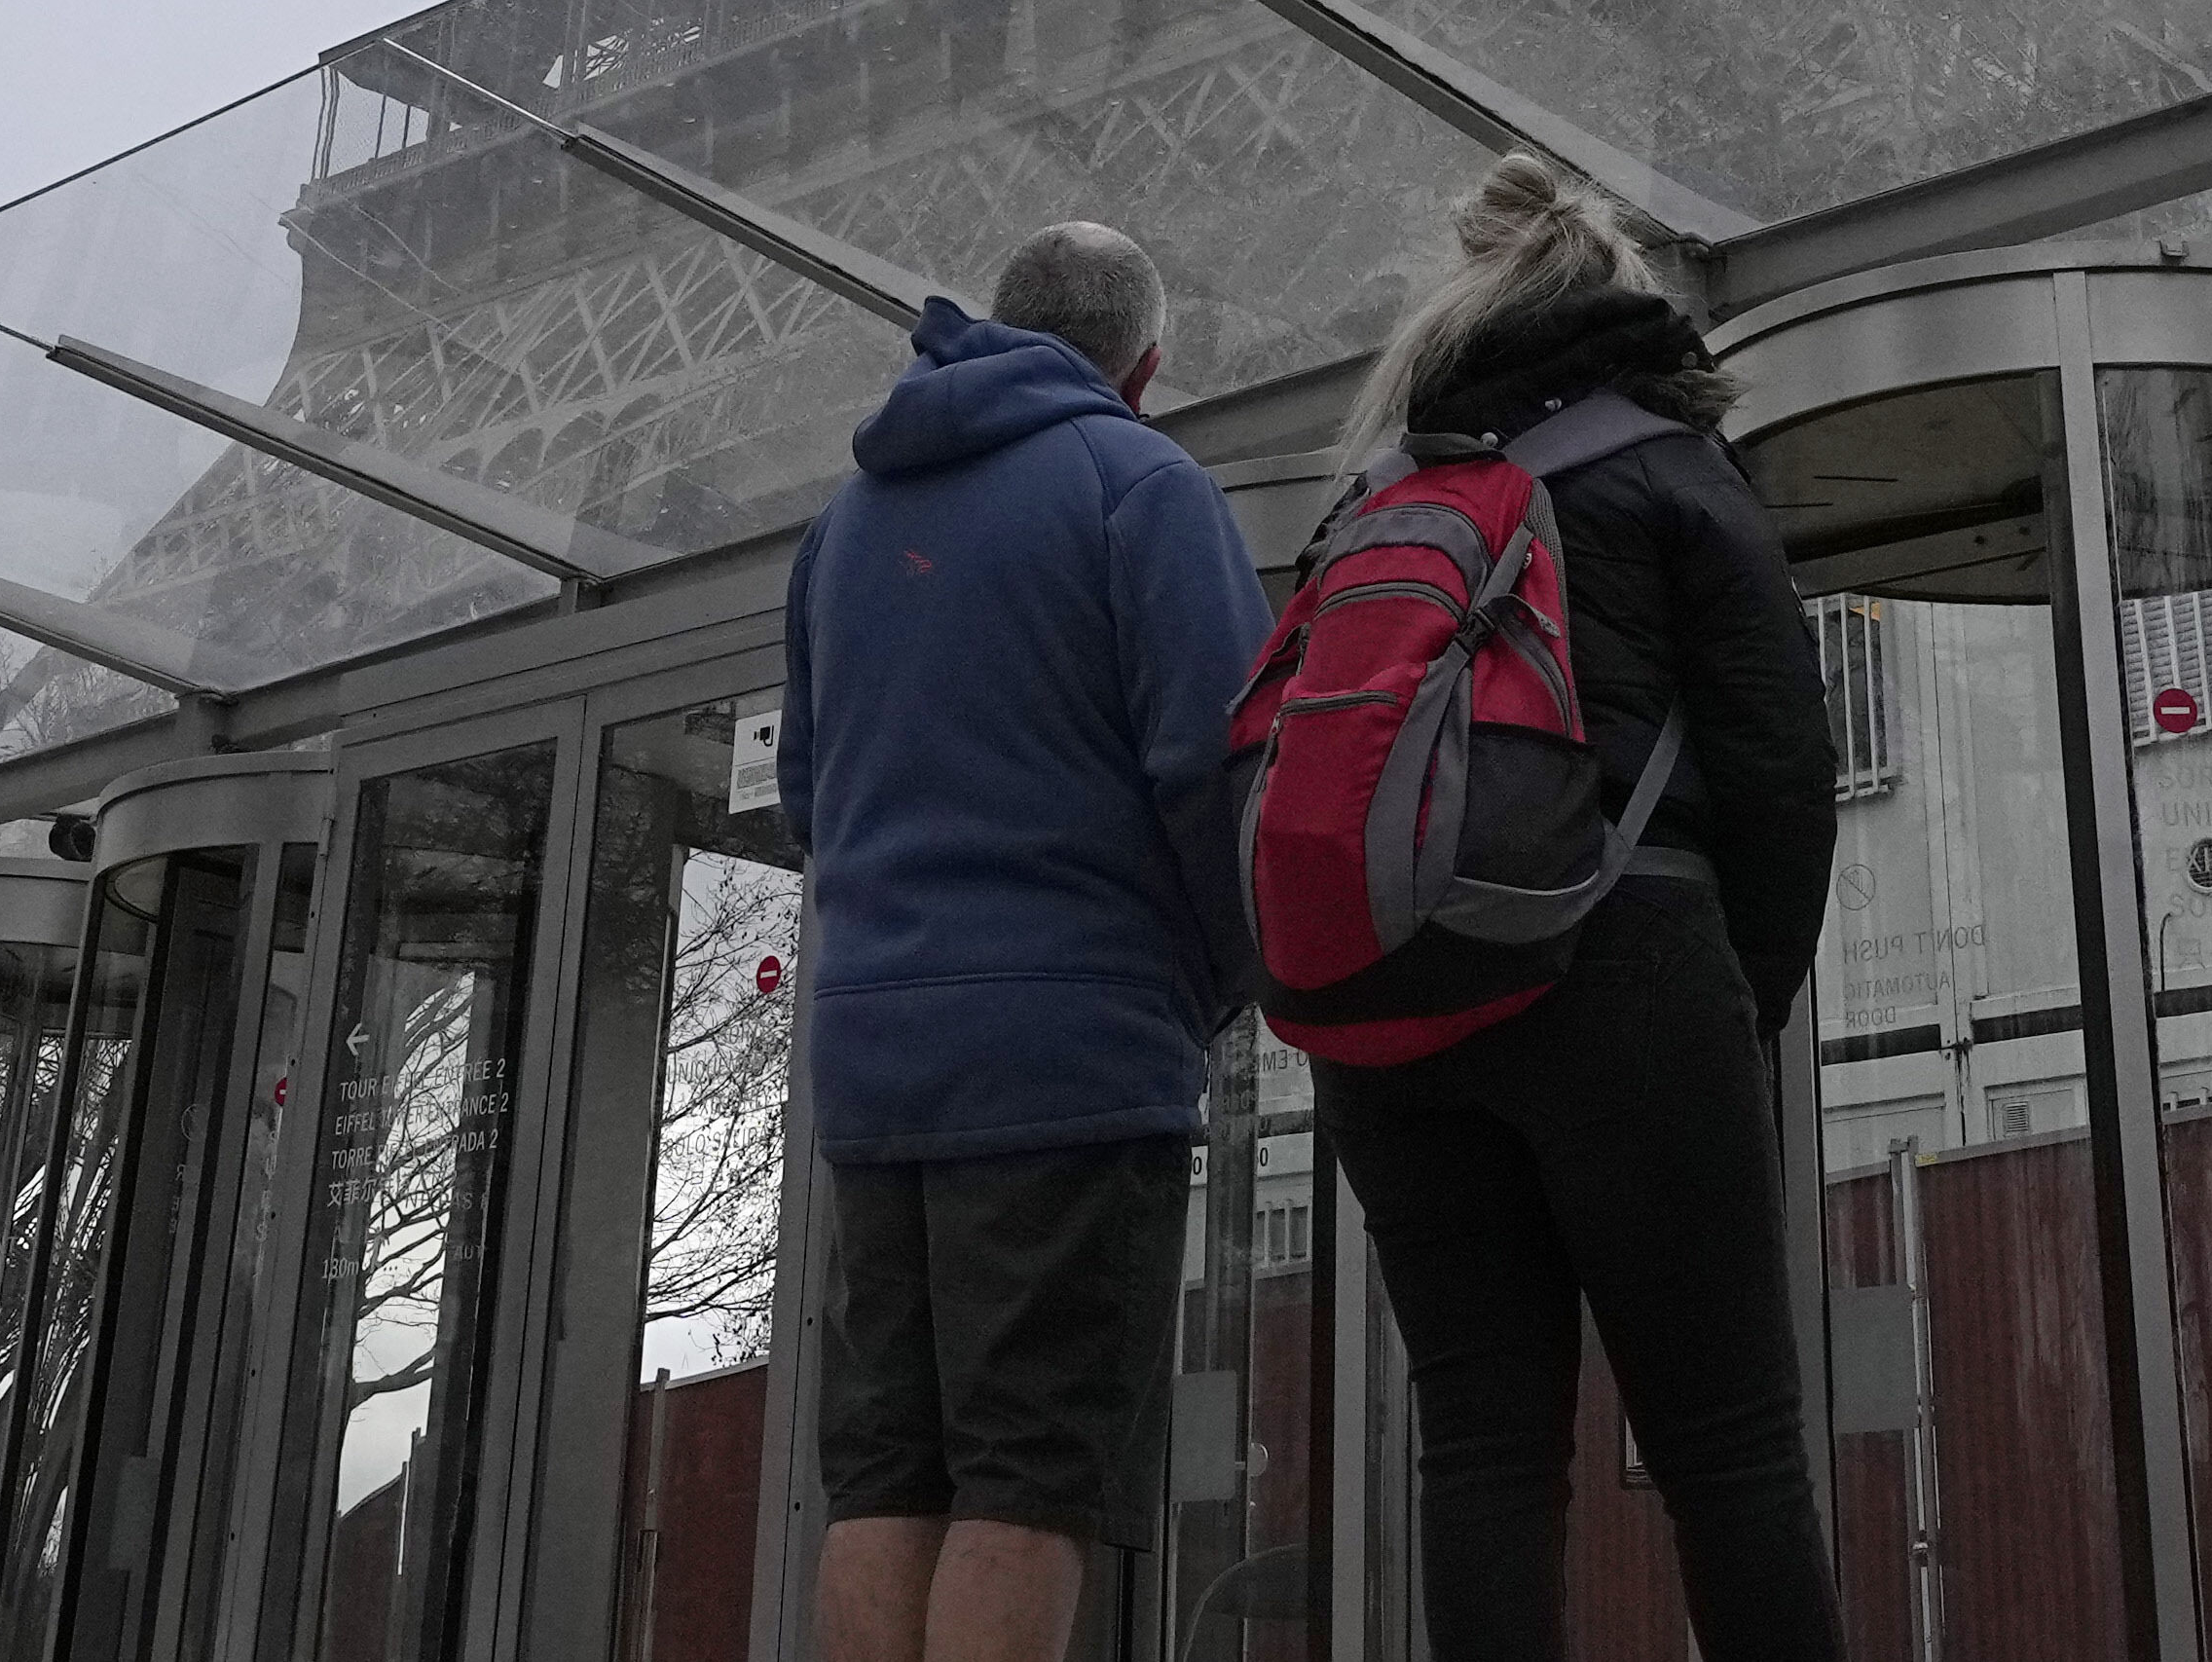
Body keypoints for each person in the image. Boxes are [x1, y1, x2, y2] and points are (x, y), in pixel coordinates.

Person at [1307, 154, 1848, 1662]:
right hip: (1629, 959)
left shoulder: (1379, 493)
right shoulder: (1672, 471)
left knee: (1482, 1449)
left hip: (1391, 1003)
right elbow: (1779, 761)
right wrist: (1744, 997)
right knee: (1729, 1450)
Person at [783, 217, 1270, 1662]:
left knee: (883, 1481)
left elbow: (812, 797)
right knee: (1028, 1485)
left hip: (876, 1066)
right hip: (1067, 1059)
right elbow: (1221, 768)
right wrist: (1225, 980)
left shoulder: (842, 529)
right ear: (1147, 368)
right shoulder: (1142, 485)